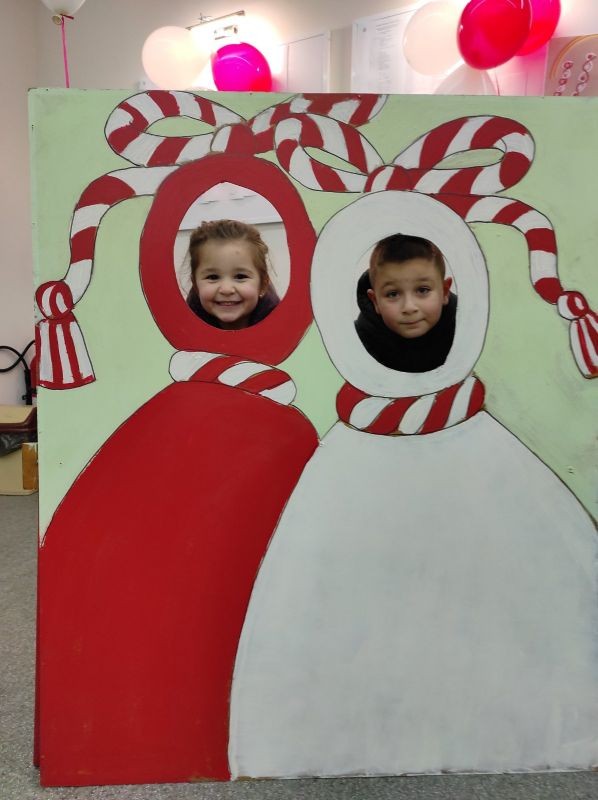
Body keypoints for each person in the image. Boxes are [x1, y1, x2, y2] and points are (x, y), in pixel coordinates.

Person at [355, 233, 457, 373]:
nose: (409, 307)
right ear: (375, 301)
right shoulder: (358, 343)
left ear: (444, 292)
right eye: (393, 294)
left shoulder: (468, 330)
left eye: (422, 290)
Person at [186, 219, 279, 330]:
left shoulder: (283, 330)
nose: (227, 289)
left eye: (240, 276)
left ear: (263, 285)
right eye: (213, 277)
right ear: (196, 285)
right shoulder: (183, 331)